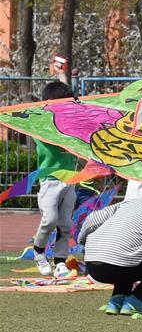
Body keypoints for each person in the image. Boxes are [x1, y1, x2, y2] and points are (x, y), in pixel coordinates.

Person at [25, 77, 78, 276]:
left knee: (65, 223)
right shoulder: (42, 127)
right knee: (50, 219)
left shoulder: (72, 126)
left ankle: (60, 260)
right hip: (50, 180)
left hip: (70, 180)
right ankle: (38, 251)